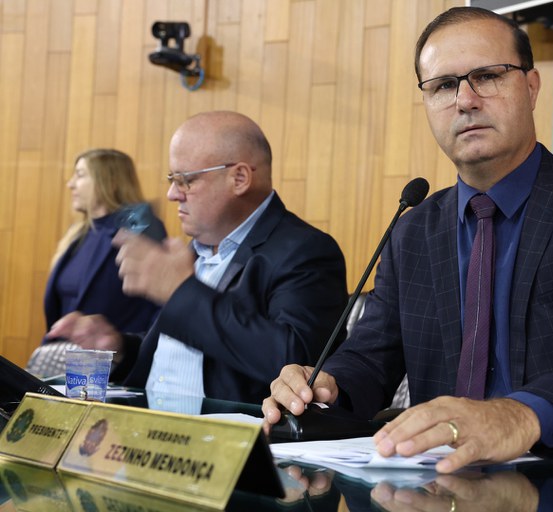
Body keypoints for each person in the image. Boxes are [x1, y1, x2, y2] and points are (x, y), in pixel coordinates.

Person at [263, 7, 553, 473]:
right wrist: (325, 385)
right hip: (440, 482)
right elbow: (370, 360)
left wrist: (522, 414)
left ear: (531, 87)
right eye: (444, 85)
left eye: (487, 76)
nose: (465, 100)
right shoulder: (413, 230)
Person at [48, 111, 348, 404]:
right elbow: (174, 359)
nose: (172, 194)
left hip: (228, 431)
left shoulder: (305, 250)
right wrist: (120, 347)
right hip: (149, 424)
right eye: (172, 179)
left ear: (239, 178)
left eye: (185, 180)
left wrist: (182, 293)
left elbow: (298, 365)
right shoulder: (192, 250)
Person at [43, 149, 165, 344]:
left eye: (80, 175)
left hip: (111, 358)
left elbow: (161, 304)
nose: (70, 184)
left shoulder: (141, 227)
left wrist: (133, 350)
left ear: (109, 181)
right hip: (67, 355)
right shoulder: (78, 233)